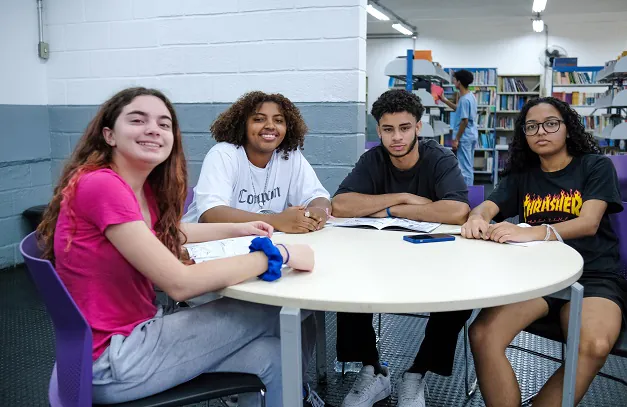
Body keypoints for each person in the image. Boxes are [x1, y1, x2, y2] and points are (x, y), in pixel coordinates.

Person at [36, 87, 316, 406]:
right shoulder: (102, 185)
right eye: (138, 120)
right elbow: (180, 285)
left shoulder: (133, 187)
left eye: (164, 123)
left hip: (126, 343)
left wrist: (237, 227)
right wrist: (279, 255)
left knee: (273, 357)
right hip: (117, 358)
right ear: (109, 135)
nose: (153, 129)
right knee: (286, 307)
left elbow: (167, 233)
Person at [462, 97, 627, 407]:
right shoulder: (522, 175)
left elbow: (589, 222)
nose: (542, 131)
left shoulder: (595, 165)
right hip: (535, 278)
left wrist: (531, 231)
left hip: (592, 276)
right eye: (531, 126)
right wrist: (477, 217)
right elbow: (489, 205)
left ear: (567, 128)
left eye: (551, 123)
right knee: (483, 335)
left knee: (593, 344)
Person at [331, 89, 471, 407]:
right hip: (379, 260)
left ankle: (416, 373)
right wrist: (402, 199)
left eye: (404, 128)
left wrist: (387, 209)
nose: (396, 137)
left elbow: (456, 211)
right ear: (378, 130)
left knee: (460, 298)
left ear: (418, 127)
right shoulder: (373, 159)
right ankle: (373, 369)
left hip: (434, 259)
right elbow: (340, 205)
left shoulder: (439, 158)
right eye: (388, 129)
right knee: (345, 280)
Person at [183, 91, 331, 233]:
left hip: (254, 242)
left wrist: (315, 214)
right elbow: (211, 214)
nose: (270, 126)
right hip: (199, 246)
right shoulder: (223, 154)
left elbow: (319, 198)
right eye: (259, 119)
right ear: (243, 125)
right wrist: (276, 221)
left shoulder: (289, 155)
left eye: (279, 120)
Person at [439, 69, 479, 186]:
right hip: (471, 135)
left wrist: (456, 139)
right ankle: (469, 192)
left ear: (459, 82)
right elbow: (458, 109)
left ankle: (468, 195)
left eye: (455, 80)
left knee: (465, 168)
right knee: (468, 165)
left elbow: (464, 121)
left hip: (465, 137)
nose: (453, 82)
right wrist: (444, 100)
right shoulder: (469, 96)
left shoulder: (465, 99)